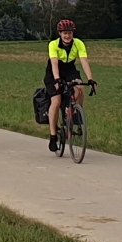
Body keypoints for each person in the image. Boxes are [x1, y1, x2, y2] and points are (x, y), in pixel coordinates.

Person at [45, 19, 93, 152]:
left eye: (70, 33)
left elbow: (84, 61)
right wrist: (57, 79)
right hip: (54, 73)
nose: (67, 36)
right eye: (65, 33)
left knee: (80, 88)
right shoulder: (53, 44)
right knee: (56, 102)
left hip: (70, 70)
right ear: (60, 33)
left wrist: (90, 79)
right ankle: (53, 136)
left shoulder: (78, 43)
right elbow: (54, 63)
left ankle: (76, 112)